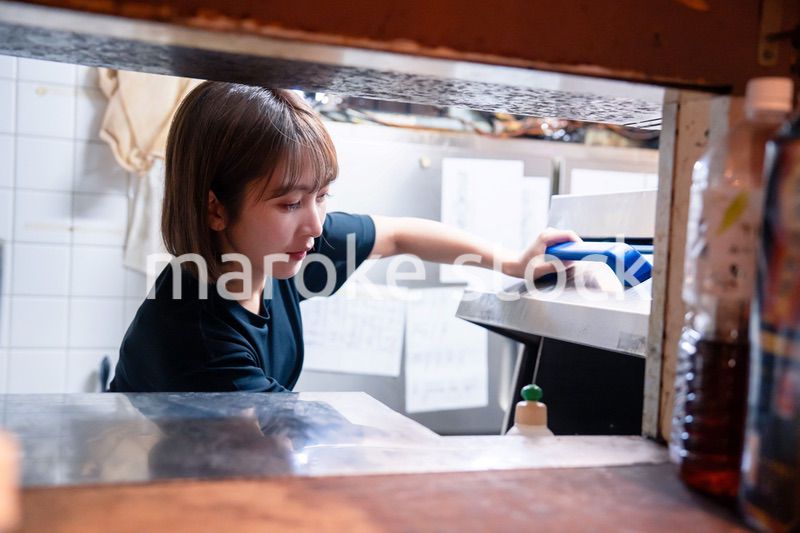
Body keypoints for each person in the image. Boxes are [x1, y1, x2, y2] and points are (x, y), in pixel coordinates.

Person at [109, 82, 579, 393]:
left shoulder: (269, 253)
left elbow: (399, 235)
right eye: (290, 204)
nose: (315, 226)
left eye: (322, 197)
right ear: (216, 208)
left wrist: (513, 263)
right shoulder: (198, 340)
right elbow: (270, 444)